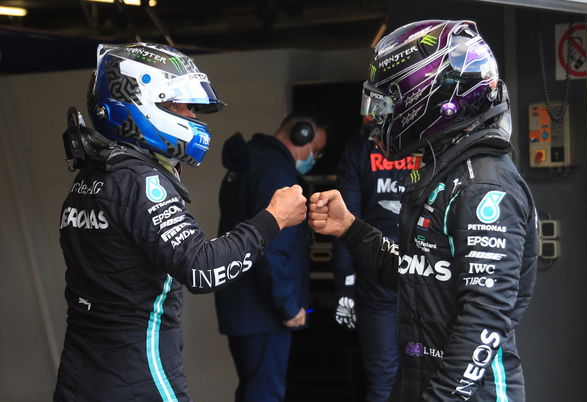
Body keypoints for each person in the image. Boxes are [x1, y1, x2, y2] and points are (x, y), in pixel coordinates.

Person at [53, 42, 308, 402]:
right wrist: (273, 220)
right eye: (181, 106)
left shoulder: (91, 175)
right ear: (141, 103)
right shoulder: (141, 182)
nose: (191, 117)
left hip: (79, 375)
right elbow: (202, 268)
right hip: (137, 375)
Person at [308, 20, 538, 401]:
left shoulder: (482, 187)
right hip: (421, 380)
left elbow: (485, 317)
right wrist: (350, 228)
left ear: (430, 99)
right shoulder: (446, 174)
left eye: (387, 103)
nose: (379, 117)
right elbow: (417, 276)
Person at [215, 111, 327, 402]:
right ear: (301, 136)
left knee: (253, 390)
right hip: (263, 310)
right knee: (264, 394)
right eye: (315, 150)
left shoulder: (249, 163)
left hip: (241, 305)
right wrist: (288, 306)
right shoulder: (277, 172)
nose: (313, 158)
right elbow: (273, 247)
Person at [332, 134, 420, 402]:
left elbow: (343, 222)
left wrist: (344, 287)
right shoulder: (430, 141)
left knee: (384, 381)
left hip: (378, 274)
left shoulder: (359, 150)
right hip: (425, 275)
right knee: (425, 376)